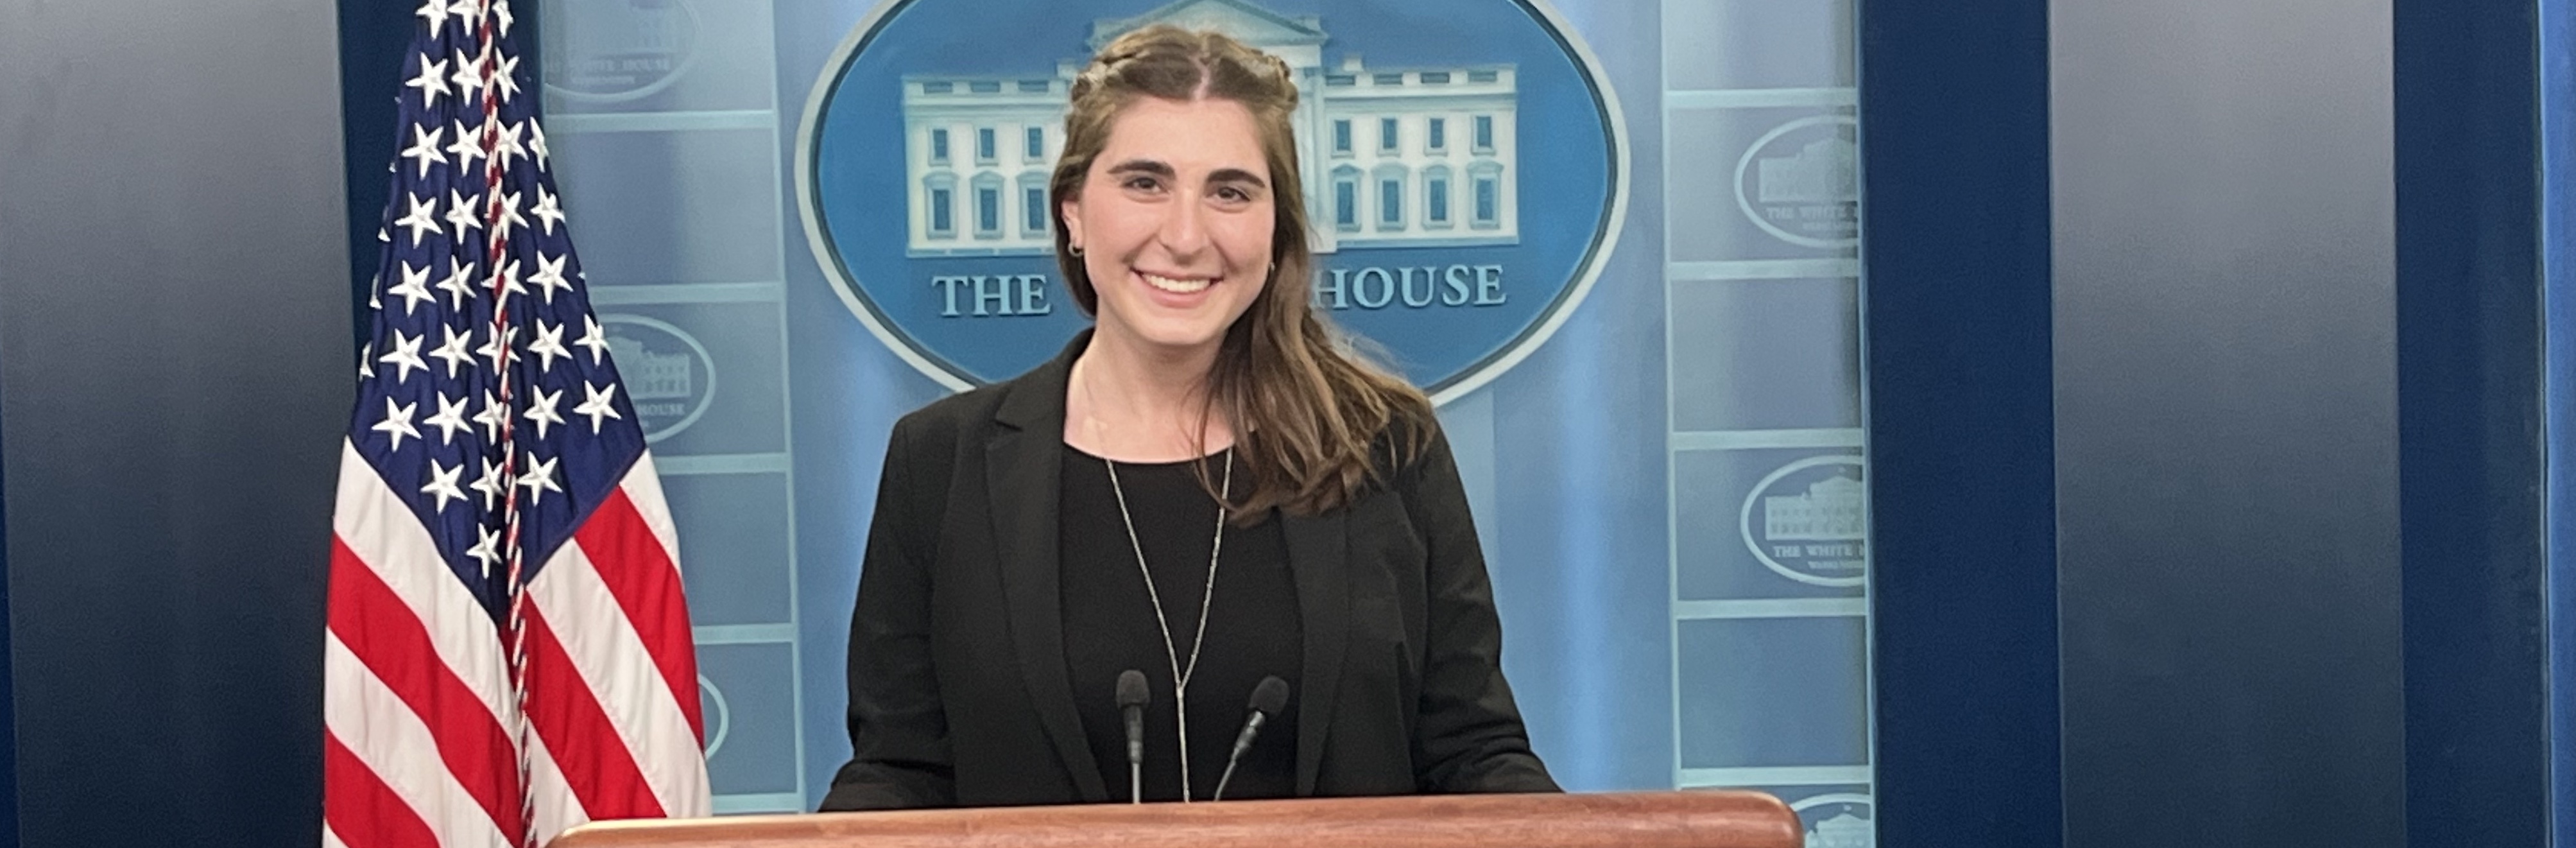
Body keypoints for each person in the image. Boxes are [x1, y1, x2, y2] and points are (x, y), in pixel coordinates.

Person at [818, 24, 1556, 811]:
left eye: (1231, 191)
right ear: (1072, 211)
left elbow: (1473, 750)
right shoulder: (940, 463)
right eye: (1145, 182)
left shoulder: (1385, 447)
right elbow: (899, 773)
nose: (1184, 235)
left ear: (1277, 229)